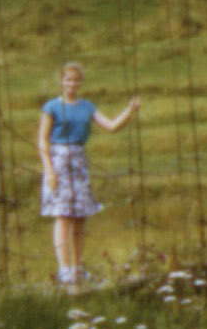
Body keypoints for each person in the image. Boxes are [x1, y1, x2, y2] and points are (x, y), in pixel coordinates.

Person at [37, 62, 141, 286]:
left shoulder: (87, 107)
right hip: (59, 160)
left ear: (80, 83)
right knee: (63, 215)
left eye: (76, 80)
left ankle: (78, 268)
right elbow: (42, 140)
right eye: (68, 80)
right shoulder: (52, 107)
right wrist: (49, 170)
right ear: (62, 81)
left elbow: (111, 126)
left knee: (80, 217)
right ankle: (64, 269)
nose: (72, 84)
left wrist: (129, 110)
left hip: (79, 160)